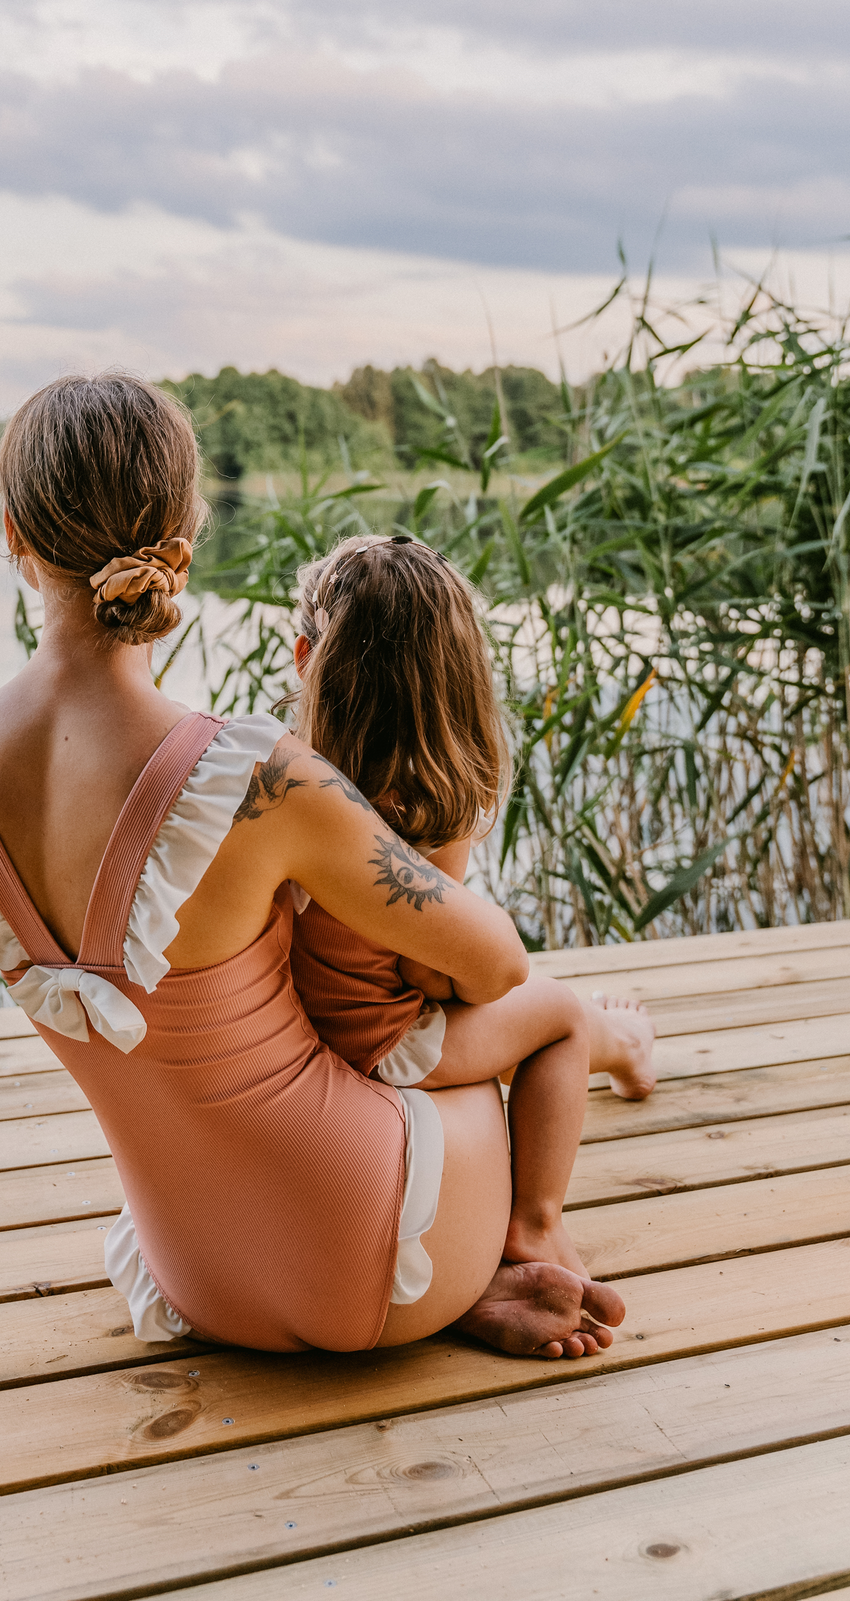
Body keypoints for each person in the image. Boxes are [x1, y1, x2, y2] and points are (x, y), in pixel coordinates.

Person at [0, 374, 623, 1517]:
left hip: (204, 1285)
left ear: (17, 538)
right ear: (183, 540)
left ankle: (471, 1259)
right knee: (533, 1029)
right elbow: (493, 962)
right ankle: (496, 1255)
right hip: (387, 1245)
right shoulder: (260, 777)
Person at [287, 534, 657, 1293]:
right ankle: (537, 1219)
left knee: (539, 1009)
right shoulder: (426, 805)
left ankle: (625, 1048)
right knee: (553, 1013)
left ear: (305, 660)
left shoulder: (287, 782)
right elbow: (438, 966)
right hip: (384, 1044)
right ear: (461, 675)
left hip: (303, 1028)